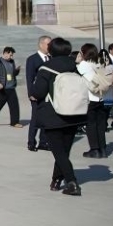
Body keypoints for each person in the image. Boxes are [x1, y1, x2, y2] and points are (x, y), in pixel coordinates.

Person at [29, 37, 87, 195]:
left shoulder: (46, 68)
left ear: (51, 50)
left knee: (58, 152)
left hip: (53, 115)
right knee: (63, 151)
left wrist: (34, 94)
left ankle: (72, 182)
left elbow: (38, 92)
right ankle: (56, 180)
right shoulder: (74, 66)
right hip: (74, 113)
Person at [76, 43, 108, 159]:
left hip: (90, 98)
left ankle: (94, 150)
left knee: (90, 124)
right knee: (100, 125)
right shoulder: (99, 63)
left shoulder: (83, 64)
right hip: (101, 97)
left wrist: (77, 61)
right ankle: (103, 149)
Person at [25, 36, 52, 152]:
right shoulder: (32, 59)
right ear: (41, 44)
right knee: (35, 119)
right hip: (36, 94)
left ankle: (43, 142)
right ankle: (31, 142)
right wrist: (31, 93)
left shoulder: (51, 58)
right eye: (48, 44)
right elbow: (29, 78)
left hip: (48, 94)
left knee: (46, 118)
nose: (50, 47)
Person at [0, 46, 21, 128]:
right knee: (0, 103)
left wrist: (17, 71)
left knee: (14, 104)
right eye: (10, 55)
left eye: (12, 55)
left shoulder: (12, 62)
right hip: (1, 87)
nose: (11, 57)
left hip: (11, 86)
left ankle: (14, 122)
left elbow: (13, 74)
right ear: (5, 53)